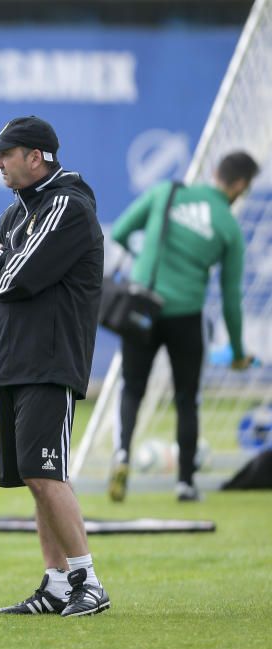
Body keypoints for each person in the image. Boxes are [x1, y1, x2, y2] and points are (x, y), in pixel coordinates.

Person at [0, 116, 109, 617]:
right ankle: (55, 584)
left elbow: (15, 278)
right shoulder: (17, 212)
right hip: (16, 364)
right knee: (34, 475)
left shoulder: (67, 205)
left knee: (48, 475)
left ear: (37, 157)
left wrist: (0, 267)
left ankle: (87, 580)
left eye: (6, 154)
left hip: (49, 361)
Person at [109, 151, 259, 503]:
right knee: (186, 399)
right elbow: (230, 298)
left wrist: (145, 255)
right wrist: (237, 353)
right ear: (239, 185)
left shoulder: (168, 192)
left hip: (142, 307)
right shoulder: (228, 226)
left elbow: (119, 231)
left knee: (132, 388)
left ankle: (122, 456)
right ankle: (185, 483)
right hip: (185, 317)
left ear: (213, 172)